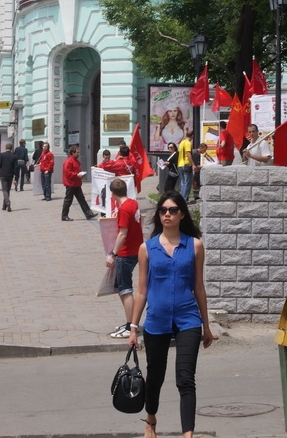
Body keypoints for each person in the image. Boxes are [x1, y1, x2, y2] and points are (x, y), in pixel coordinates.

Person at [128, 191, 214, 438]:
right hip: (156, 319)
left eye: (172, 210)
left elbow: (199, 286)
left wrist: (206, 325)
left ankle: (188, 434)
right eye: (163, 210)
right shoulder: (147, 248)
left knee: (185, 378)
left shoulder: (195, 245)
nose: (167, 214)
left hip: (188, 319)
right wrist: (133, 328)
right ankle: (151, 418)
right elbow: (142, 290)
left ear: (182, 214)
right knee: (155, 376)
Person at [106, 178, 144, 339]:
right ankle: (131, 323)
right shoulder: (133, 203)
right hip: (137, 249)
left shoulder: (124, 209)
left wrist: (112, 254)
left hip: (125, 253)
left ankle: (131, 325)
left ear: (112, 194)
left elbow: (122, 233)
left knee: (125, 289)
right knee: (124, 287)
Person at [61, 145, 98, 222]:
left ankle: (88, 214)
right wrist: (77, 175)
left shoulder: (76, 161)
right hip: (70, 184)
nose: (78, 154)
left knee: (82, 200)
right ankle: (64, 216)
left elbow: (76, 172)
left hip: (76, 183)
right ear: (72, 153)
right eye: (77, 152)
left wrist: (81, 175)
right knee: (68, 200)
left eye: (78, 152)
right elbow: (68, 173)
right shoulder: (68, 161)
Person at [0, 142, 18, 212]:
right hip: (10, 175)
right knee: (8, 190)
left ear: (5, 148)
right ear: (11, 148)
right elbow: (16, 168)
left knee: (4, 190)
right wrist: (16, 178)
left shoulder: (1, 155)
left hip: (3, 175)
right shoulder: (14, 156)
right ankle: (4, 206)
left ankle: (7, 202)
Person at [177, 131, 195, 201]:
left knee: (182, 182)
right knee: (187, 182)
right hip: (186, 164)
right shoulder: (188, 143)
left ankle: (182, 198)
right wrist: (193, 164)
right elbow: (188, 154)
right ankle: (184, 199)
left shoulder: (182, 143)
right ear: (192, 136)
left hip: (180, 164)